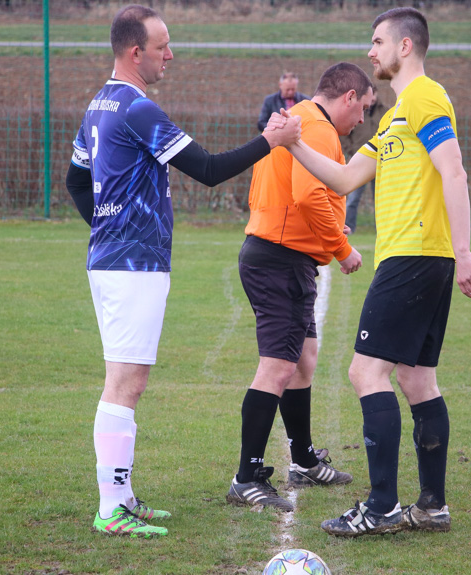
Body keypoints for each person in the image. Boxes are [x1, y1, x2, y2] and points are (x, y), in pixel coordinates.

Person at [64, 4, 300, 539]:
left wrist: (106, 228)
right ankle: (110, 509)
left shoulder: (99, 104)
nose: (171, 54)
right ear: (134, 52)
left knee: (128, 381)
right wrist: (273, 140)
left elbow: (77, 184)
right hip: (131, 265)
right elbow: (210, 170)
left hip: (116, 260)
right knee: (124, 384)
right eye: (162, 46)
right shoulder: (135, 108)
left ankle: (122, 497)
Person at [279, 7, 471, 537]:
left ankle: (381, 506)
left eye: (377, 42)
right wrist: (294, 142)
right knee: (417, 379)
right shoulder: (395, 116)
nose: (370, 51)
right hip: (415, 257)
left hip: (417, 255)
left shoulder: (425, 97)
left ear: (406, 47)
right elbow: (346, 178)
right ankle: (431, 507)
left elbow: (454, 170)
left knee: (364, 372)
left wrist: (463, 250)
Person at [227, 62, 375, 512]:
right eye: (364, 107)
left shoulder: (298, 120)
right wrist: (341, 247)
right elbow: (309, 196)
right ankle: (247, 475)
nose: (363, 120)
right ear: (348, 97)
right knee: (277, 367)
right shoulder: (318, 127)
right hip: (280, 259)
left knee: (303, 360)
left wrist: (329, 224)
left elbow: (303, 193)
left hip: (279, 253)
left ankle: (304, 459)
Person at [340, 85, 387, 234]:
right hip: (359, 160)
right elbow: (344, 135)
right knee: (353, 197)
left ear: (377, 94)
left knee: (380, 198)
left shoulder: (386, 111)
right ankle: (349, 228)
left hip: (381, 161)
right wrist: (351, 149)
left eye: (374, 94)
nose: (372, 99)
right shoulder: (356, 111)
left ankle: (381, 229)